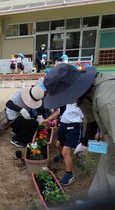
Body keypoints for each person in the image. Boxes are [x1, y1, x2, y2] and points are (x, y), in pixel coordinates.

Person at [43, 63, 115, 198]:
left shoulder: (107, 101)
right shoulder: (87, 93)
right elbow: (92, 120)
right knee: (104, 172)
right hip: (110, 140)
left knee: (110, 175)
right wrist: (85, 142)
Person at [54, 103, 84, 185]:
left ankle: (69, 175)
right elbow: (59, 111)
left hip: (74, 126)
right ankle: (61, 156)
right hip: (63, 125)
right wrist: (48, 120)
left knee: (65, 151)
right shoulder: (65, 97)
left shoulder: (82, 100)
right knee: (58, 144)